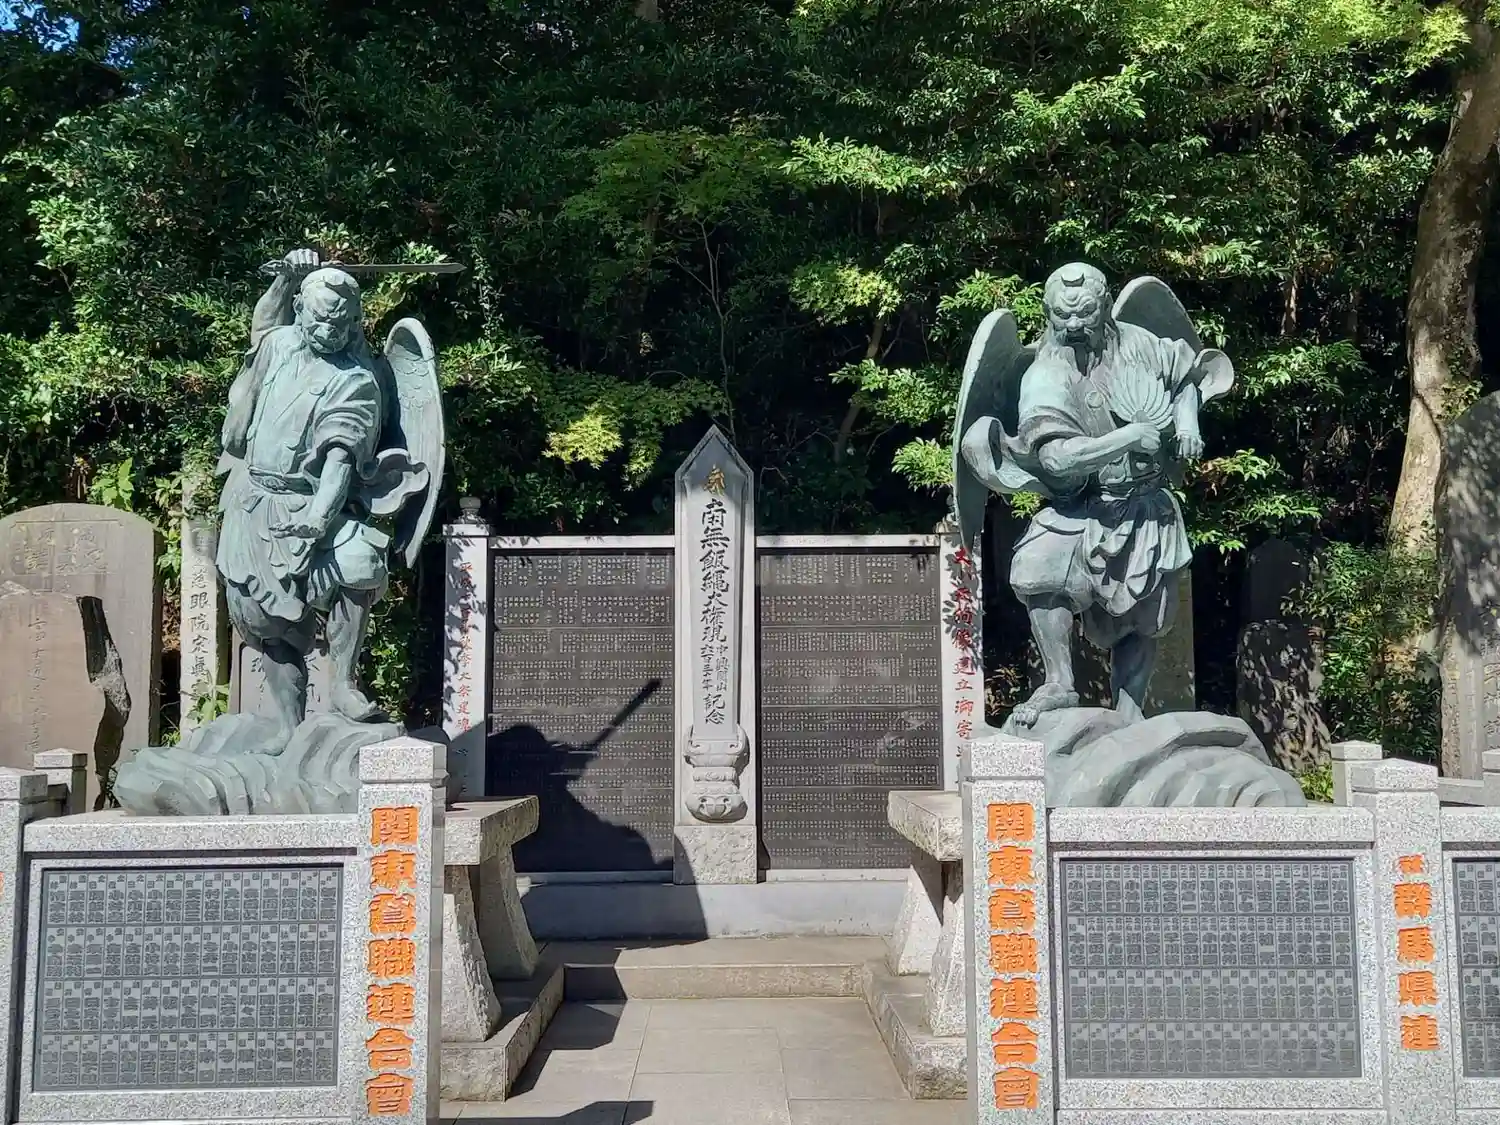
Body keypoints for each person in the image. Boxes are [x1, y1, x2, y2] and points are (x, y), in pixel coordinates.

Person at [216, 248, 426, 742]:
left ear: (353, 322)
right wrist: (287, 277)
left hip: (312, 506)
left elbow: (340, 458)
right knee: (265, 622)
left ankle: (344, 683)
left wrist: (317, 516)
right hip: (253, 502)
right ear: (300, 311)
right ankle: (288, 727)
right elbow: (262, 326)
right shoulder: (280, 345)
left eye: (340, 321)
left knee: (361, 563)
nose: (329, 330)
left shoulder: (356, 380)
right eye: (319, 318)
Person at [990, 263, 1210, 727]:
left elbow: (1186, 377)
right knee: (1039, 568)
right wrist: (1127, 438)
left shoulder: (1140, 343)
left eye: (1085, 312)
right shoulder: (1045, 374)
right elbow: (1056, 459)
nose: (1073, 324)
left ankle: (1130, 709)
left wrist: (1187, 425)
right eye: (1061, 315)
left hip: (1145, 501)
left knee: (1145, 612)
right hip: (1079, 504)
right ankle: (1058, 682)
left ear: (1106, 304)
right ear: (1047, 314)